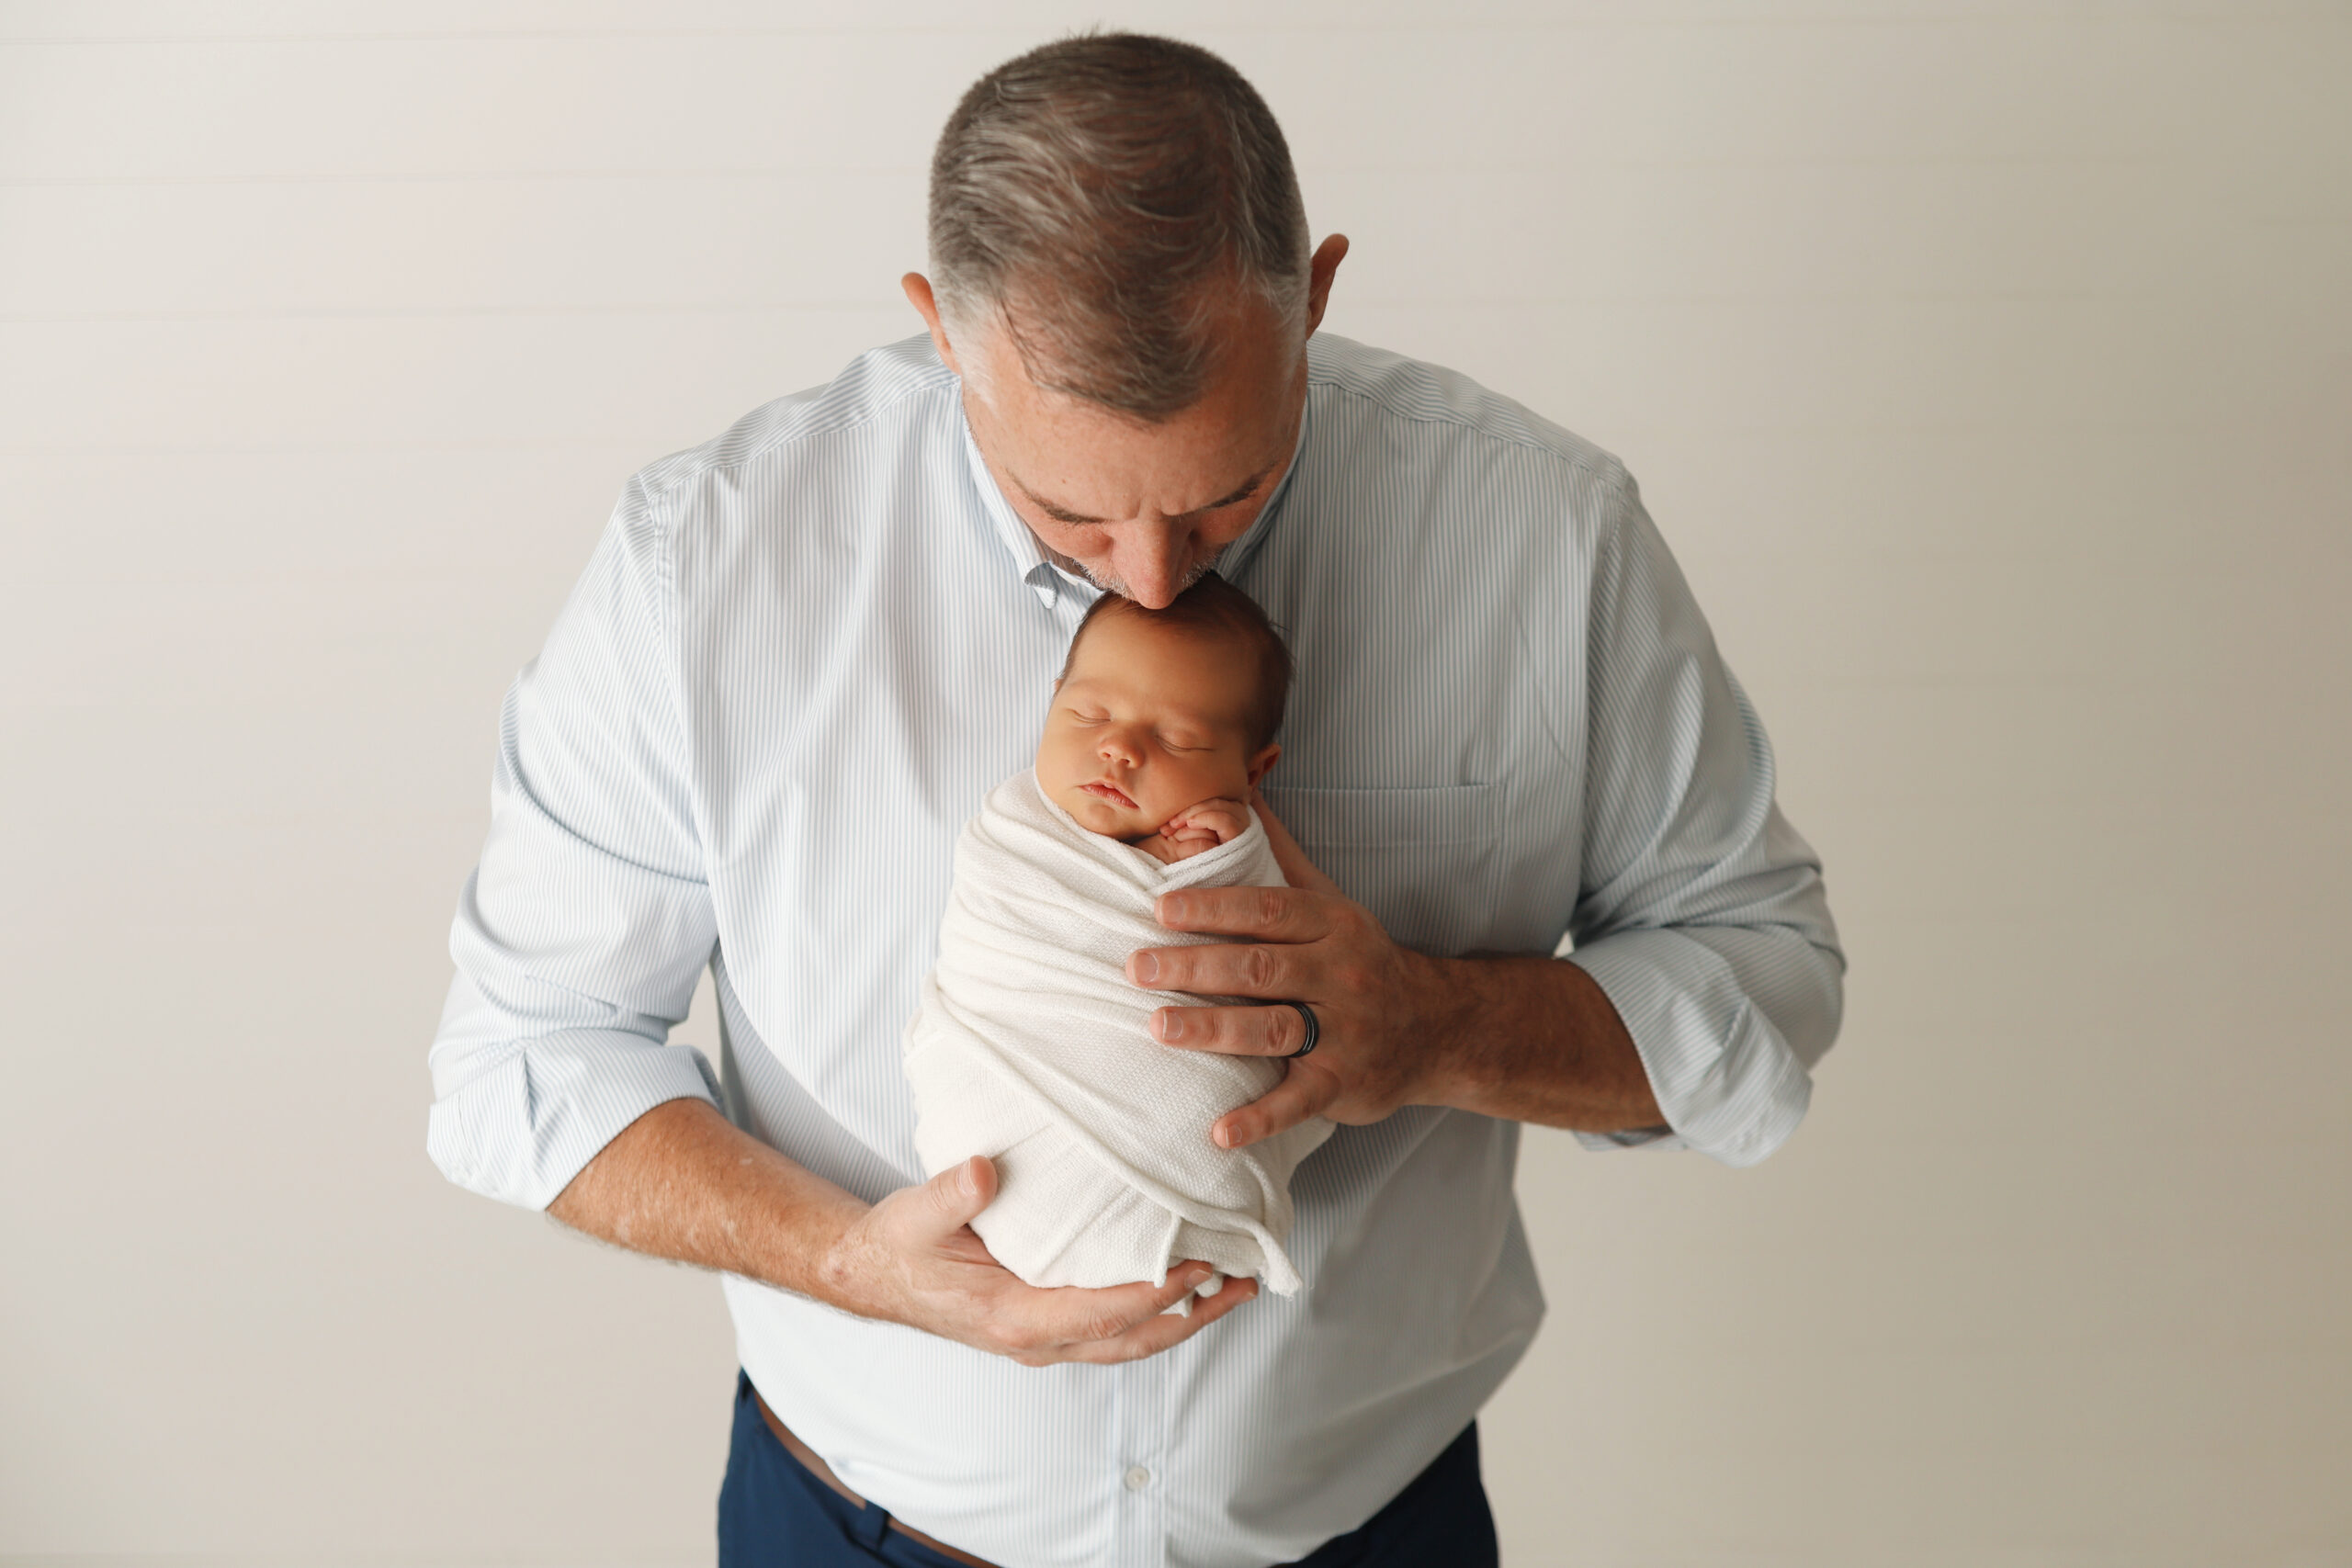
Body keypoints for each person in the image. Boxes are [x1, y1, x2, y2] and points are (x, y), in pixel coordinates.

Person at [426, 30, 1844, 1568]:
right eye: (1073, 508)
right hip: (850, 1529)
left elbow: (1763, 982)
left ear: (1319, 295)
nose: (1158, 578)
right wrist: (854, 1265)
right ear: (939, 330)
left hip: (1373, 1532)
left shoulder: (1547, 538)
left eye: (1228, 492)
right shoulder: (699, 566)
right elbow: (524, 1060)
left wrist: (1439, 1023)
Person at [905, 575, 1331, 1314]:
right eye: (1087, 712)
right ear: (1052, 700)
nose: (1118, 748)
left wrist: (1223, 861)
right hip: (986, 1144)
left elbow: (1271, 951)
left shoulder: (1230, 848)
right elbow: (990, 944)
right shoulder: (1012, 830)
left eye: (1177, 738)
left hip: (1190, 1196)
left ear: (1254, 772)